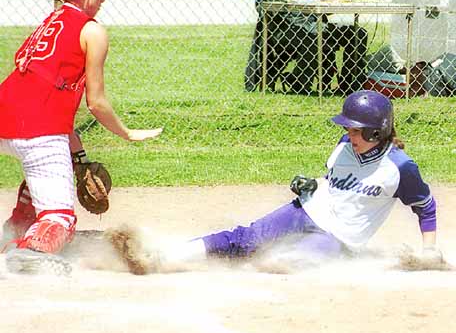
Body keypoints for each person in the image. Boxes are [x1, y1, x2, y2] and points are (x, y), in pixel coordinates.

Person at [108, 90, 444, 274]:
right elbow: (335, 181)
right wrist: (312, 184)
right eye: (348, 129)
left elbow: (425, 207)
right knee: (246, 238)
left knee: (284, 262)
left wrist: (428, 252)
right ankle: (161, 256)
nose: (348, 134)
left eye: (356, 130)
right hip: (306, 210)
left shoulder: (400, 167)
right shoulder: (345, 145)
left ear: (376, 132)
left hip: (339, 239)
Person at [0, 0, 163, 268]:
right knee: (59, 219)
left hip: (6, 115)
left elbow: (44, 96)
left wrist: (79, 157)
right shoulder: (92, 31)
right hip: (37, 130)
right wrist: (127, 133)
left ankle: (17, 227)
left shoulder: (51, 22)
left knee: (44, 169)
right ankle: (30, 253)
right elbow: (96, 102)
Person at [244, 0, 368, 95]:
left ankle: (348, 86)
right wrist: (290, 1)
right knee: (314, 36)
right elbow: (261, 4)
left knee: (358, 34)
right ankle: (298, 81)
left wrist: (330, 1)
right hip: (283, 26)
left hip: (314, 23)